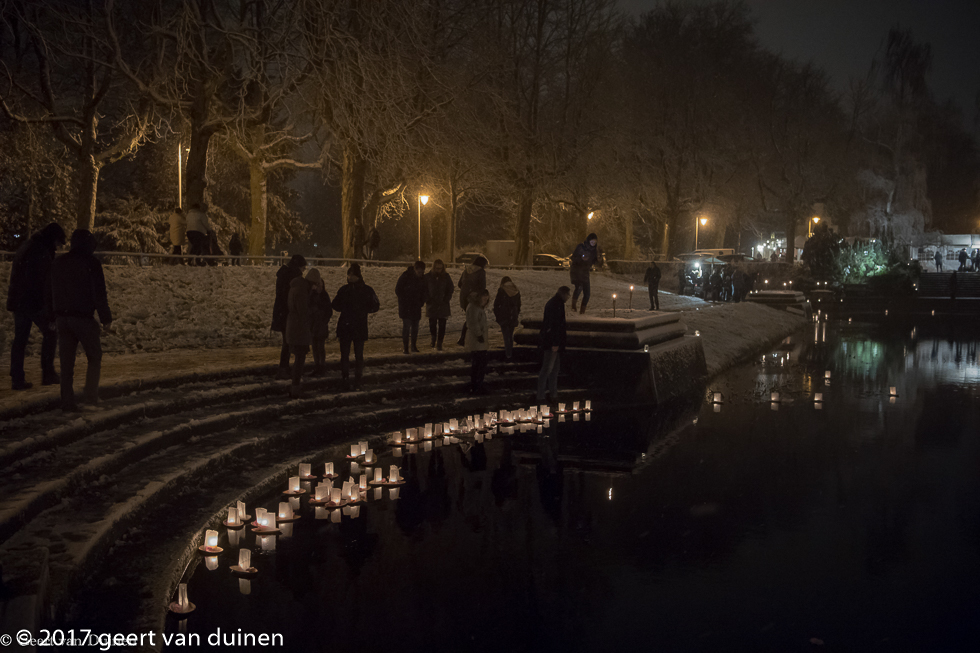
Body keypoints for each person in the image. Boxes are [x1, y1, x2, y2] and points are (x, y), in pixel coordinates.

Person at [50, 230, 112, 411]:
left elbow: (50, 290)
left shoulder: (58, 263)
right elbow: (99, 293)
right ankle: (91, 396)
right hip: (83, 317)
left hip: (62, 317)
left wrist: (51, 315)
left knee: (66, 363)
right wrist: (105, 318)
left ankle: (67, 401)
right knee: (94, 356)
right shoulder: (91, 263)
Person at [6, 222, 65, 390]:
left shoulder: (28, 246)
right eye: (58, 243)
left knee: (20, 340)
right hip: (33, 302)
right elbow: (42, 283)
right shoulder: (41, 252)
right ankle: (48, 373)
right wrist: (48, 309)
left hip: (19, 301)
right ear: (52, 239)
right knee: (51, 332)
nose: (58, 246)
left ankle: (17, 377)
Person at [331, 263, 380, 388]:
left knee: (355, 354)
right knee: (348, 354)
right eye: (349, 274)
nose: (350, 277)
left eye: (352, 274)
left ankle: (354, 377)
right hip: (353, 325)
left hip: (352, 325)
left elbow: (375, 306)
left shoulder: (355, 290)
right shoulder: (352, 290)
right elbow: (335, 305)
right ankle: (348, 377)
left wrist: (358, 309)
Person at [271, 255, 307, 379]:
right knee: (288, 342)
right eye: (303, 268)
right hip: (287, 313)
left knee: (286, 342)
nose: (303, 271)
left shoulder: (283, 275)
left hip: (281, 312)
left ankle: (284, 367)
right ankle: (283, 368)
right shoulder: (294, 277)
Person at [537, 286, 570, 404]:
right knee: (548, 369)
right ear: (564, 294)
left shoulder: (555, 303)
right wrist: (556, 343)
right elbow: (554, 325)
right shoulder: (556, 305)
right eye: (568, 295)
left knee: (554, 369)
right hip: (552, 343)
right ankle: (542, 395)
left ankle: (553, 394)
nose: (568, 297)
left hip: (553, 342)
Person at [285, 266, 313, 398]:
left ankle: (295, 386)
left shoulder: (295, 287)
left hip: (293, 328)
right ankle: (295, 388)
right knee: (299, 360)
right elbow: (304, 312)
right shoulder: (302, 291)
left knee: (298, 358)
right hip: (299, 330)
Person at [396, 260, 427, 354]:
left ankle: (412, 346)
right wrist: (405, 300)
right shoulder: (406, 276)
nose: (421, 274)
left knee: (414, 327)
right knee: (408, 326)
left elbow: (425, 291)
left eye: (422, 272)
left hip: (415, 305)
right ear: (415, 269)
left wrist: (421, 301)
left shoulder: (420, 278)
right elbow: (398, 290)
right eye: (419, 272)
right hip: (407, 306)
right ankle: (407, 347)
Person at [306, 268, 332, 377]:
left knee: (320, 347)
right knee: (315, 348)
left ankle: (322, 367)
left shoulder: (324, 296)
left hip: (320, 326)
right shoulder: (312, 295)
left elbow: (328, 311)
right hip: (314, 325)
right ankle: (318, 366)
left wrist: (323, 320)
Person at [457, 255, 488, 345]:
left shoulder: (466, 270)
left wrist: (466, 290)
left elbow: (460, 284)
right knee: (472, 318)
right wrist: (477, 294)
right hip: (474, 297)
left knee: (469, 316)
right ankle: (465, 338)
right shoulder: (481, 272)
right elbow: (482, 286)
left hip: (463, 297)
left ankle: (463, 338)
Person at [425, 259, 454, 350]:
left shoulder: (446, 277)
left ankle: (439, 342)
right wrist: (428, 299)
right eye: (437, 268)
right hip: (432, 304)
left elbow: (450, 288)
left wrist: (446, 299)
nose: (438, 270)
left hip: (442, 304)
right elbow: (424, 289)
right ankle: (433, 339)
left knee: (442, 325)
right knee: (432, 324)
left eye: (440, 268)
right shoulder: (428, 277)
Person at [466, 289, 491, 394]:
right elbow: (473, 323)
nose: (485, 298)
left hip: (480, 341)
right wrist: (479, 335)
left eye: (487, 296)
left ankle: (478, 385)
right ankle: (476, 386)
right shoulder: (473, 307)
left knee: (480, 364)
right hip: (477, 341)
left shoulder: (478, 307)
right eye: (483, 296)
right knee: (478, 364)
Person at [569, 232, 601, 313]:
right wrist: (581, 258)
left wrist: (599, 260)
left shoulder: (594, 251)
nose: (593, 244)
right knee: (579, 287)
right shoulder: (581, 247)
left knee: (587, 294)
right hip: (577, 271)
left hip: (585, 273)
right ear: (588, 241)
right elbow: (573, 258)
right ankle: (573, 307)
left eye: (594, 242)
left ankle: (582, 311)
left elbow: (595, 262)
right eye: (592, 242)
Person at [492, 276, 521, 359]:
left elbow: (497, 303)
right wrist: (515, 313)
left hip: (504, 315)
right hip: (513, 315)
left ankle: (508, 354)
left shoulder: (502, 289)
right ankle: (510, 352)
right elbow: (519, 305)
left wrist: (498, 314)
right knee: (510, 335)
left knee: (506, 336)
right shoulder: (516, 290)